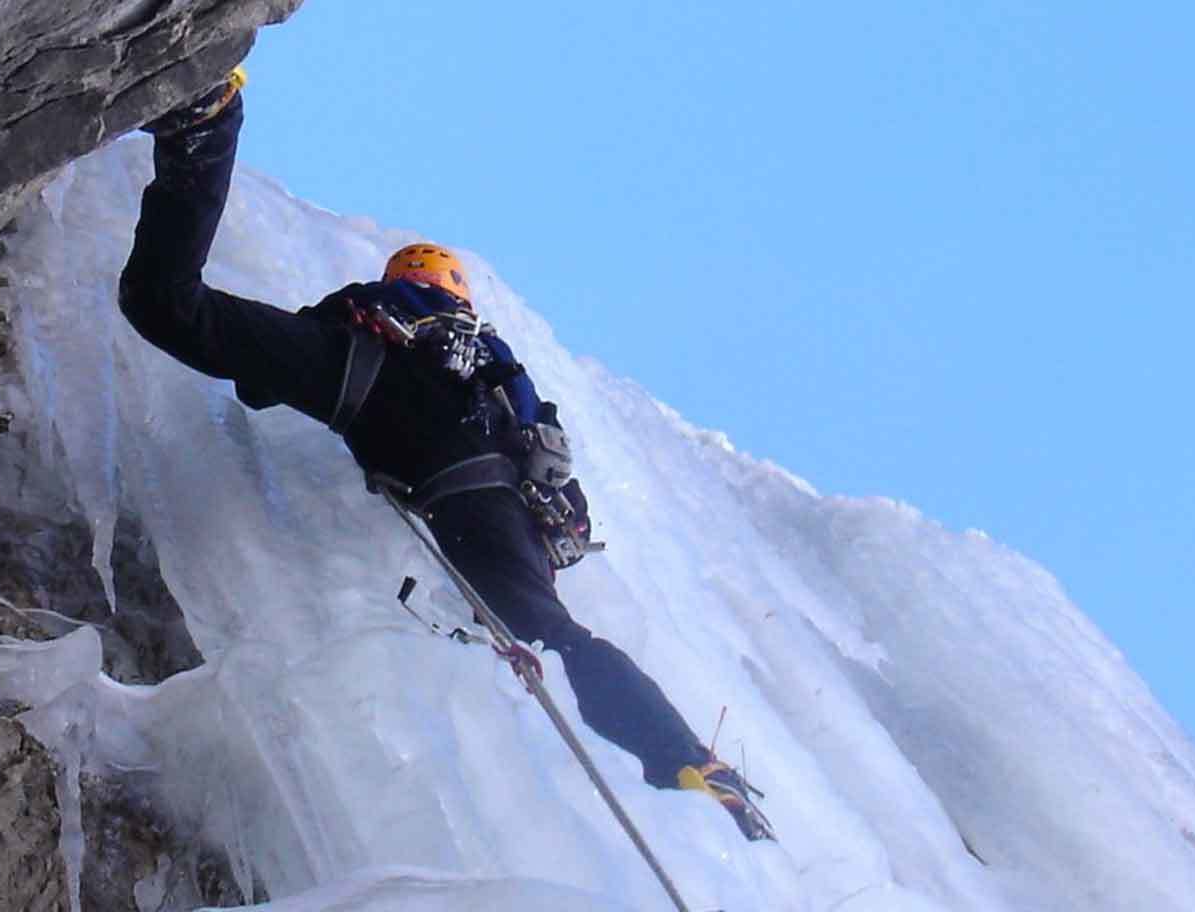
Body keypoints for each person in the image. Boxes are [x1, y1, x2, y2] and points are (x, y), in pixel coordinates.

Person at [115, 68, 770, 841]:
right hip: (499, 506)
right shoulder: (500, 379)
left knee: (166, 302)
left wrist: (287, 366)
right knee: (555, 635)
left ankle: (208, 126)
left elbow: (267, 358)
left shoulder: (379, 325)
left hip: (383, 405)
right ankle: (683, 756)